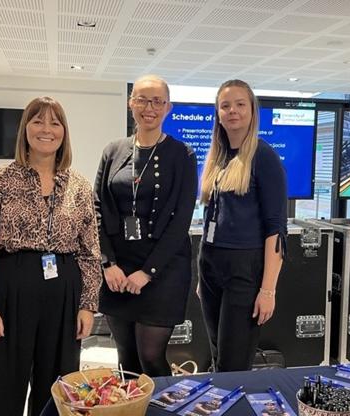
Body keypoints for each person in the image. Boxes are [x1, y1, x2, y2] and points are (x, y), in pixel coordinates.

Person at [0, 96, 102, 415]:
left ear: (64, 132)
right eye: (38, 121)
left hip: (63, 293)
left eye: (55, 123)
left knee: (56, 388)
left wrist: (87, 305)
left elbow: (89, 252)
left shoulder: (79, 185)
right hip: (11, 290)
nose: (47, 129)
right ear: (25, 128)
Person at [95, 74, 197, 377]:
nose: (148, 107)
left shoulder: (183, 155)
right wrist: (107, 262)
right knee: (126, 359)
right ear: (131, 103)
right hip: (118, 269)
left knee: (151, 356)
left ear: (168, 107)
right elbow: (97, 208)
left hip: (162, 269)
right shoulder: (113, 150)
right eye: (141, 99)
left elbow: (181, 221)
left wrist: (147, 272)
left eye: (157, 101)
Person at [198, 79, 287, 372]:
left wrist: (268, 291)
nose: (232, 111)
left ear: (252, 111)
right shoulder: (219, 157)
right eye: (225, 106)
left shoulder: (263, 156)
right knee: (217, 355)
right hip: (211, 263)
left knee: (233, 364)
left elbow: (276, 228)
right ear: (218, 113)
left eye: (240, 104)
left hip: (243, 270)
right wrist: (205, 275)